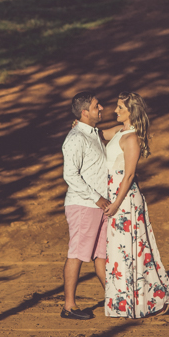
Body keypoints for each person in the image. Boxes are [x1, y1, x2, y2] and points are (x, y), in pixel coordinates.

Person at [102, 92, 169, 318]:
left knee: (134, 250)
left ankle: (158, 300)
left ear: (130, 112)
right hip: (116, 198)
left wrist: (115, 204)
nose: (115, 111)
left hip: (125, 202)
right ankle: (127, 302)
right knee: (120, 252)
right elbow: (100, 134)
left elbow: (129, 175)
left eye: (119, 108)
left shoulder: (132, 138)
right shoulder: (119, 131)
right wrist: (81, 124)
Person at [60, 90, 110, 320]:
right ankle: (69, 307)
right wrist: (97, 197)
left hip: (99, 206)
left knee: (102, 255)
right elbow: (70, 175)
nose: (101, 108)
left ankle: (115, 299)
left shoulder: (93, 133)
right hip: (83, 204)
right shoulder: (75, 138)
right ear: (84, 112)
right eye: (97, 106)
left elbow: (115, 132)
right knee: (77, 254)